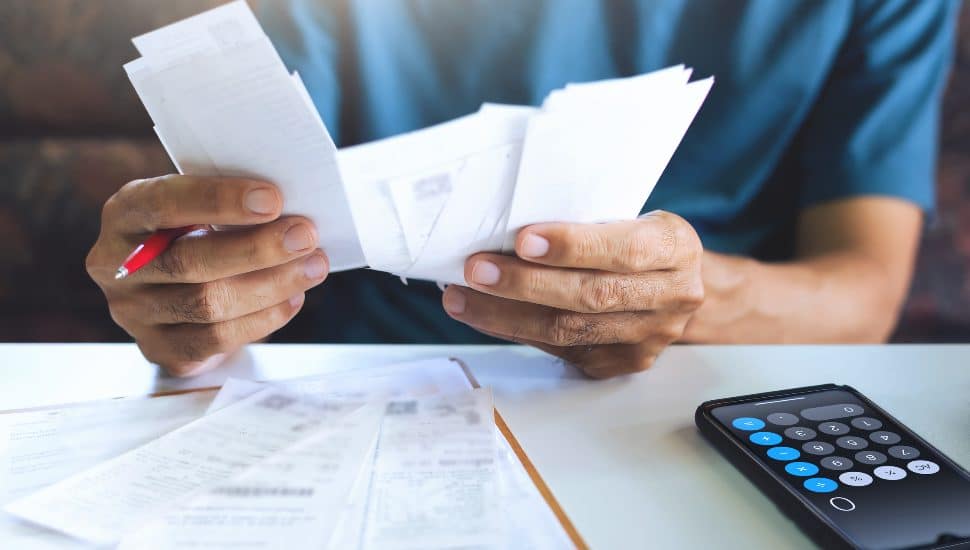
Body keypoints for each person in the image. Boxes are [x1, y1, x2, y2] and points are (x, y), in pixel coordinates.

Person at [85, 0, 958, 378]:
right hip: (358, 377)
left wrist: (682, 297)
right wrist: (191, 305)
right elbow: (236, 212)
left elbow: (863, 294)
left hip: (685, 386)